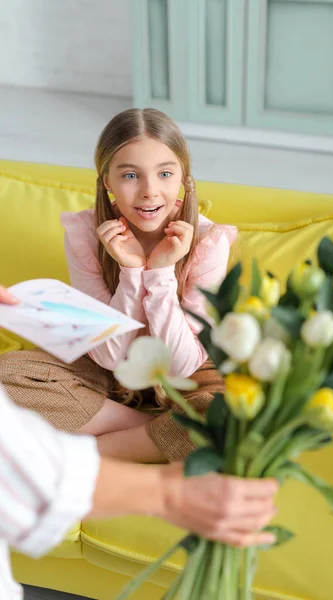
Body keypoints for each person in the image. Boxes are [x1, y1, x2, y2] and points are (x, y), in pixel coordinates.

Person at [0, 291, 279, 600]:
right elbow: (29, 483)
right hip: (112, 358)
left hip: (194, 357)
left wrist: (159, 280)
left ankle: (138, 435)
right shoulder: (90, 243)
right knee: (10, 374)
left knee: (228, 413)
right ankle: (164, 430)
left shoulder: (208, 254)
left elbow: (187, 349)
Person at [0, 108, 237, 464]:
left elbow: (180, 366)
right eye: (130, 175)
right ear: (107, 181)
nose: (149, 192)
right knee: (7, 378)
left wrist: (160, 273)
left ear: (183, 180)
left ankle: (83, 454)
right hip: (107, 370)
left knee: (228, 417)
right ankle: (151, 431)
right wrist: (130, 271)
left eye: (165, 174)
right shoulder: (85, 233)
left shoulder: (209, 242)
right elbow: (110, 355)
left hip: (188, 372)